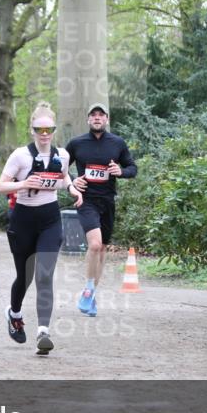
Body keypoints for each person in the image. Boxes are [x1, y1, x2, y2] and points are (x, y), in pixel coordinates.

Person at [0, 102, 83, 355]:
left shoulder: (63, 155)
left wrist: (72, 188)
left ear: (54, 130)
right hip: (23, 220)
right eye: (39, 130)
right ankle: (14, 314)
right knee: (25, 277)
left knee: (44, 277)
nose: (44, 134)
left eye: (49, 130)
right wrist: (23, 183)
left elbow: (64, 175)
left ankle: (43, 332)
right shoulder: (20, 155)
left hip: (50, 220)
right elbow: (1, 186)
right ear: (32, 129)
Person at [66, 103, 137, 317]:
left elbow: (133, 168)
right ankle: (88, 290)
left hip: (108, 201)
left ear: (106, 119)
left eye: (101, 115)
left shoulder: (117, 143)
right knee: (95, 244)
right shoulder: (76, 143)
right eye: (93, 115)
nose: (97, 118)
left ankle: (92, 295)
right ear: (88, 120)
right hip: (86, 201)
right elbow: (59, 168)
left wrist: (121, 171)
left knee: (103, 248)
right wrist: (73, 182)